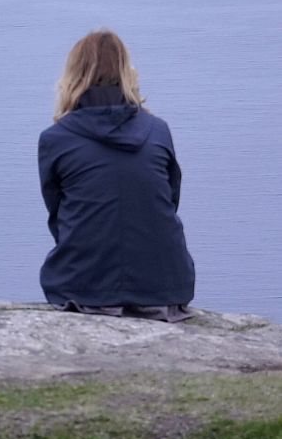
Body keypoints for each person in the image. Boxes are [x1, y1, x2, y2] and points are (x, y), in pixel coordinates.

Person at [37, 30, 195, 322]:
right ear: (127, 73)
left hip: (84, 288)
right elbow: (169, 203)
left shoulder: (55, 139)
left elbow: (59, 217)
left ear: (72, 75)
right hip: (165, 288)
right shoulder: (158, 131)